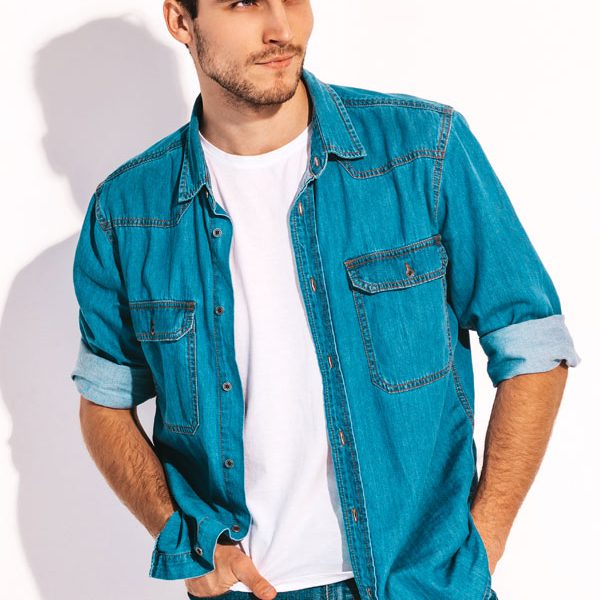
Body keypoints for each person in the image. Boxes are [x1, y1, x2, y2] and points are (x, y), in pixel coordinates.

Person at [69, 1, 581, 599]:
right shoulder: (127, 212)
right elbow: (104, 402)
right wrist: (180, 535)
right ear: (182, 21)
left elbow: (533, 344)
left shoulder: (422, 150)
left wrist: (481, 546)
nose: (281, 28)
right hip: (249, 588)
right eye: (243, 3)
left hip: (422, 584)